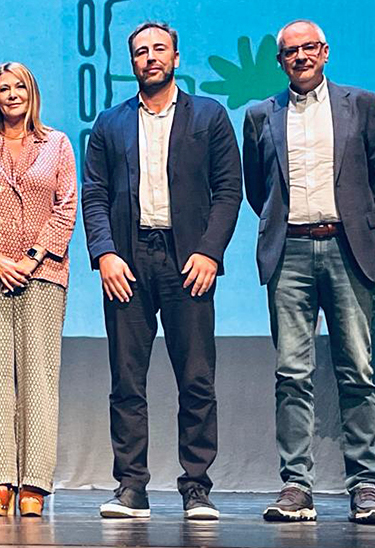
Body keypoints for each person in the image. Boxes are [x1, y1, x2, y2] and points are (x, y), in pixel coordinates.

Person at [82, 22, 242, 520]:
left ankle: (196, 487)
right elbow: (95, 194)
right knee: (127, 382)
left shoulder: (210, 116)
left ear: (175, 56)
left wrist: (210, 252)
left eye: (158, 49)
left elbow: (228, 190)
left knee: (196, 380)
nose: (150, 58)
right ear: (131, 63)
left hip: (187, 262)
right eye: (140, 52)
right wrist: (105, 253)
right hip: (127, 263)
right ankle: (131, 487)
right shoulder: (110, 123)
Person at [243, 19, 375, 525]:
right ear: (280, 60)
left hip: (347, 248)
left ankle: (367, 488)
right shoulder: (261, 115)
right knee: (292, 374)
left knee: (357, 371)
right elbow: (255, 188)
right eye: (291, 51)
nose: (301, 56)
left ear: (325, 52)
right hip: (289, 252)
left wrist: (358, 223)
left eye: (310, 48)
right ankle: (296, 486)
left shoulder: (364, 103)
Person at [0, 62, 77, 517]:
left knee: (39, 379)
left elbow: (67, 206)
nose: (12, 95)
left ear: (32, 93)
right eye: (4, 88)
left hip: (43, 273)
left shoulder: (58, 144)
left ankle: (34, 484)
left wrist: (31, 258)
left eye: (19, 87)